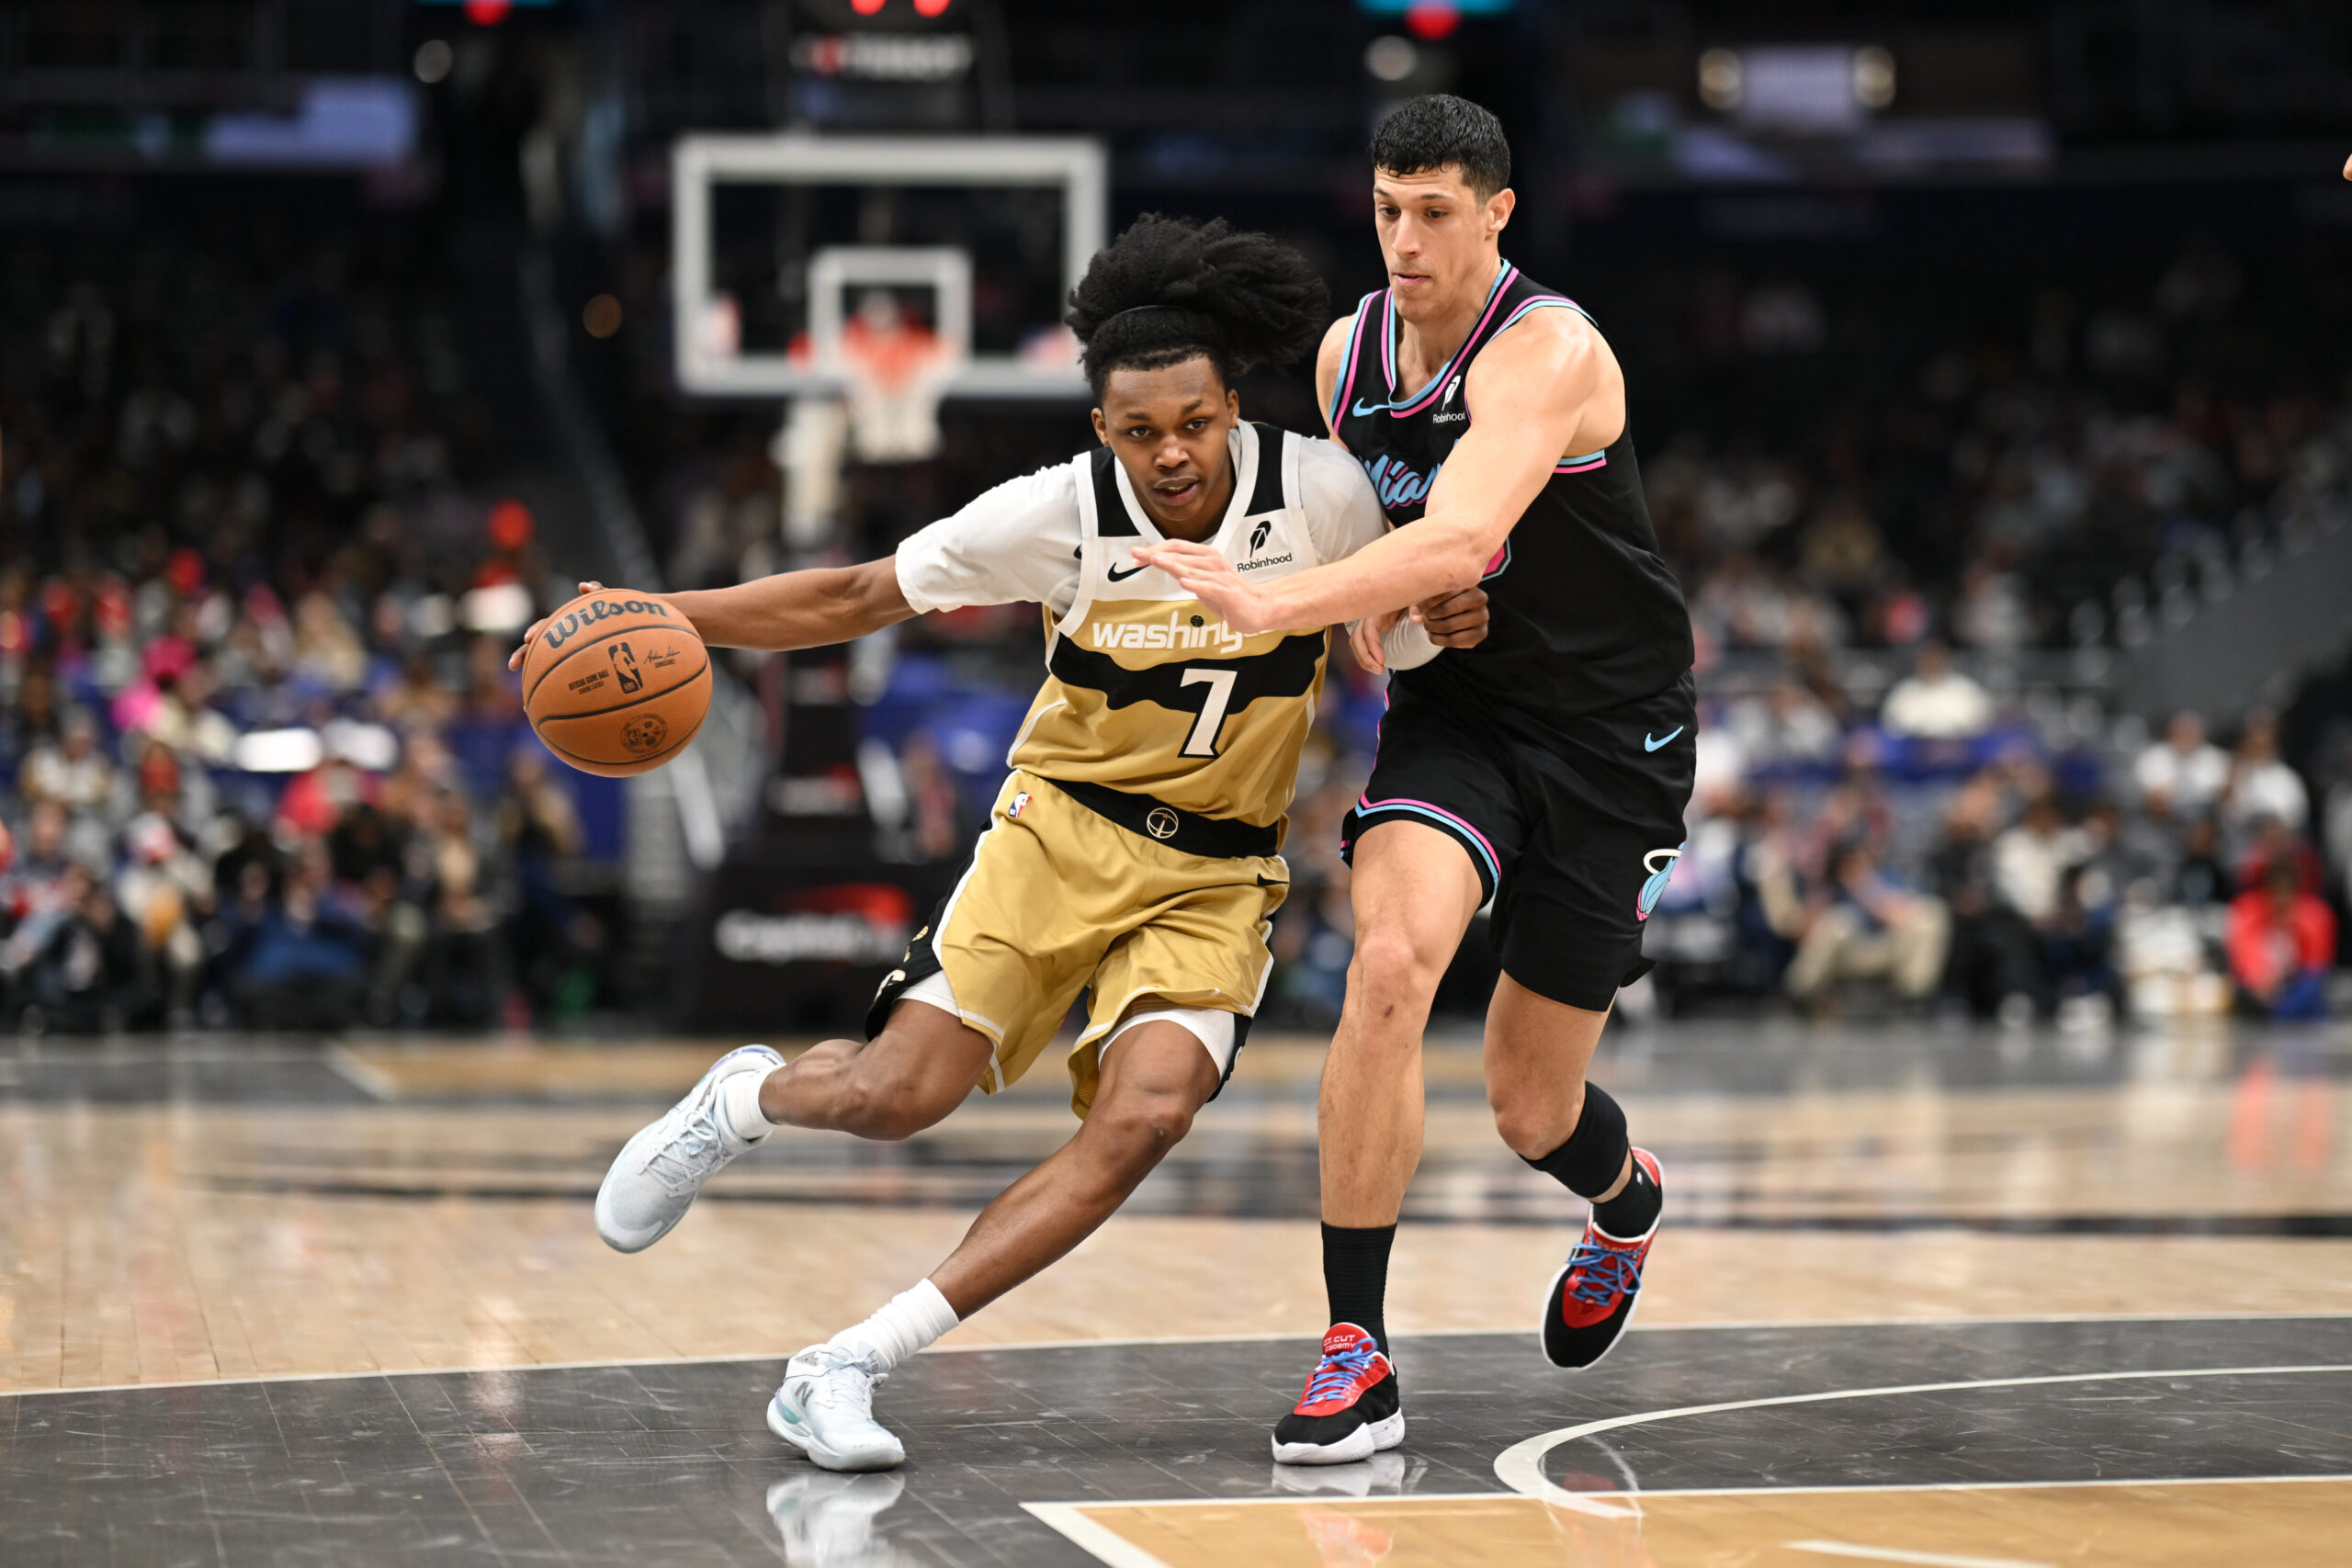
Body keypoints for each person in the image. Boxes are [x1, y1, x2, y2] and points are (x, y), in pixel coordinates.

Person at [520, 217, 1489, 1472]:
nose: (1173, 451)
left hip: (1216, 874)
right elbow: (856, 593)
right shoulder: (1052, 514)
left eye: (1193, 421)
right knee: (891, 1095)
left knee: (1146, 1116)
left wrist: (1440, 615)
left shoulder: (1322, 490)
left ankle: (849, 1361)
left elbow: (1389, 637)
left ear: (1230, 404)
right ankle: (745, 1094)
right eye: (1140, 430)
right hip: (1056, 838)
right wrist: (663, 613)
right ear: (1102, 429)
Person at [1136, 96, 1696, 1465]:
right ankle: (1357, 1350)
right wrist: (1371, 627)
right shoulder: (1347, 358)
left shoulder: (1548, 348)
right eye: (1388, 208)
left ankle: (1622, 1201)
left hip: (1612, 737)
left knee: (1529, 1104)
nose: (1404, 238)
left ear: (1498, 213)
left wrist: (1277, 602)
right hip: (1459, 722)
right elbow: (1381, 590)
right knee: (1389, 961)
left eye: (1435, 211)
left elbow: (1455, 532)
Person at [2226, 858, 2335, 1021]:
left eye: (2287, 891)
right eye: (2276, 891)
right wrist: (2260, 980)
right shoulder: (2248, 912)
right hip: (2259, 988)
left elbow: (2317, 963)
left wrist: (2295, 926)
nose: (2281, 898)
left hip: (2296, 986)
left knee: (2310, 990)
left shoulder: (2314, 915)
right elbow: (2242, 955)